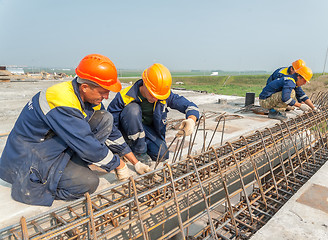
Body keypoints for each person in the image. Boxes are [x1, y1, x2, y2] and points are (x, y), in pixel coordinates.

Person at [0, 54, 150, 206]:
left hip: (52, 145)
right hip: (29, 157)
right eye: (103, 91)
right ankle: (39, 187)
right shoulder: (62, 100)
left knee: (105, 118)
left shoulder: (87, 97)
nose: (106, 96)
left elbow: (111, 133)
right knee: (88, 183)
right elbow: (87, 144)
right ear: (85, 87)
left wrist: (135, 162)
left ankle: (70, 166)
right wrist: (118, 164)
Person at [107, 63, 200, 164]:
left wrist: (191, 120)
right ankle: (139, 151)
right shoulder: (124, 96)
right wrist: (119, 147)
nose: (156, 98)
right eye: (153, 94)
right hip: (126, 131)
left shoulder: (162, 95)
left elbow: (190, 106)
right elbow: (111, 125)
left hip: (146, 130)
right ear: (145, 84)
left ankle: (135, 146)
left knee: (161, 155)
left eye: (158, 96)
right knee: (133, 110)